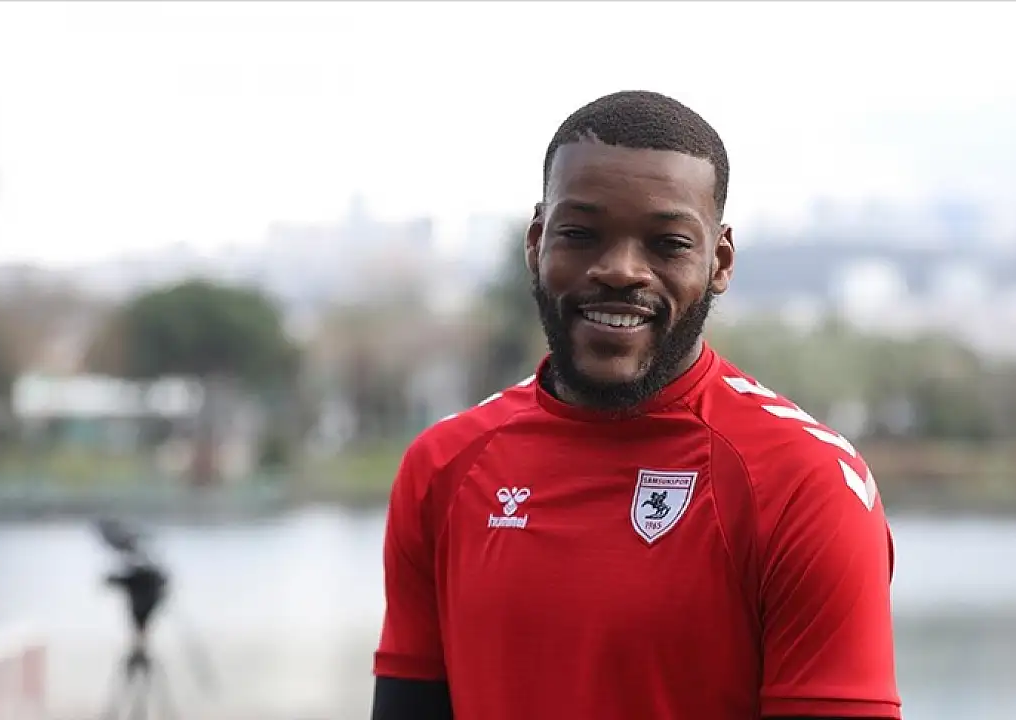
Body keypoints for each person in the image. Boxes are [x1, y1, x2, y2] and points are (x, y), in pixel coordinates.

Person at [372, 90, 901, 720]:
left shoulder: (804, 484)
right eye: (580, 234)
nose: (621, 270)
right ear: (537, 242)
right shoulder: (443, 466)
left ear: (720, 261)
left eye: (667, 243)